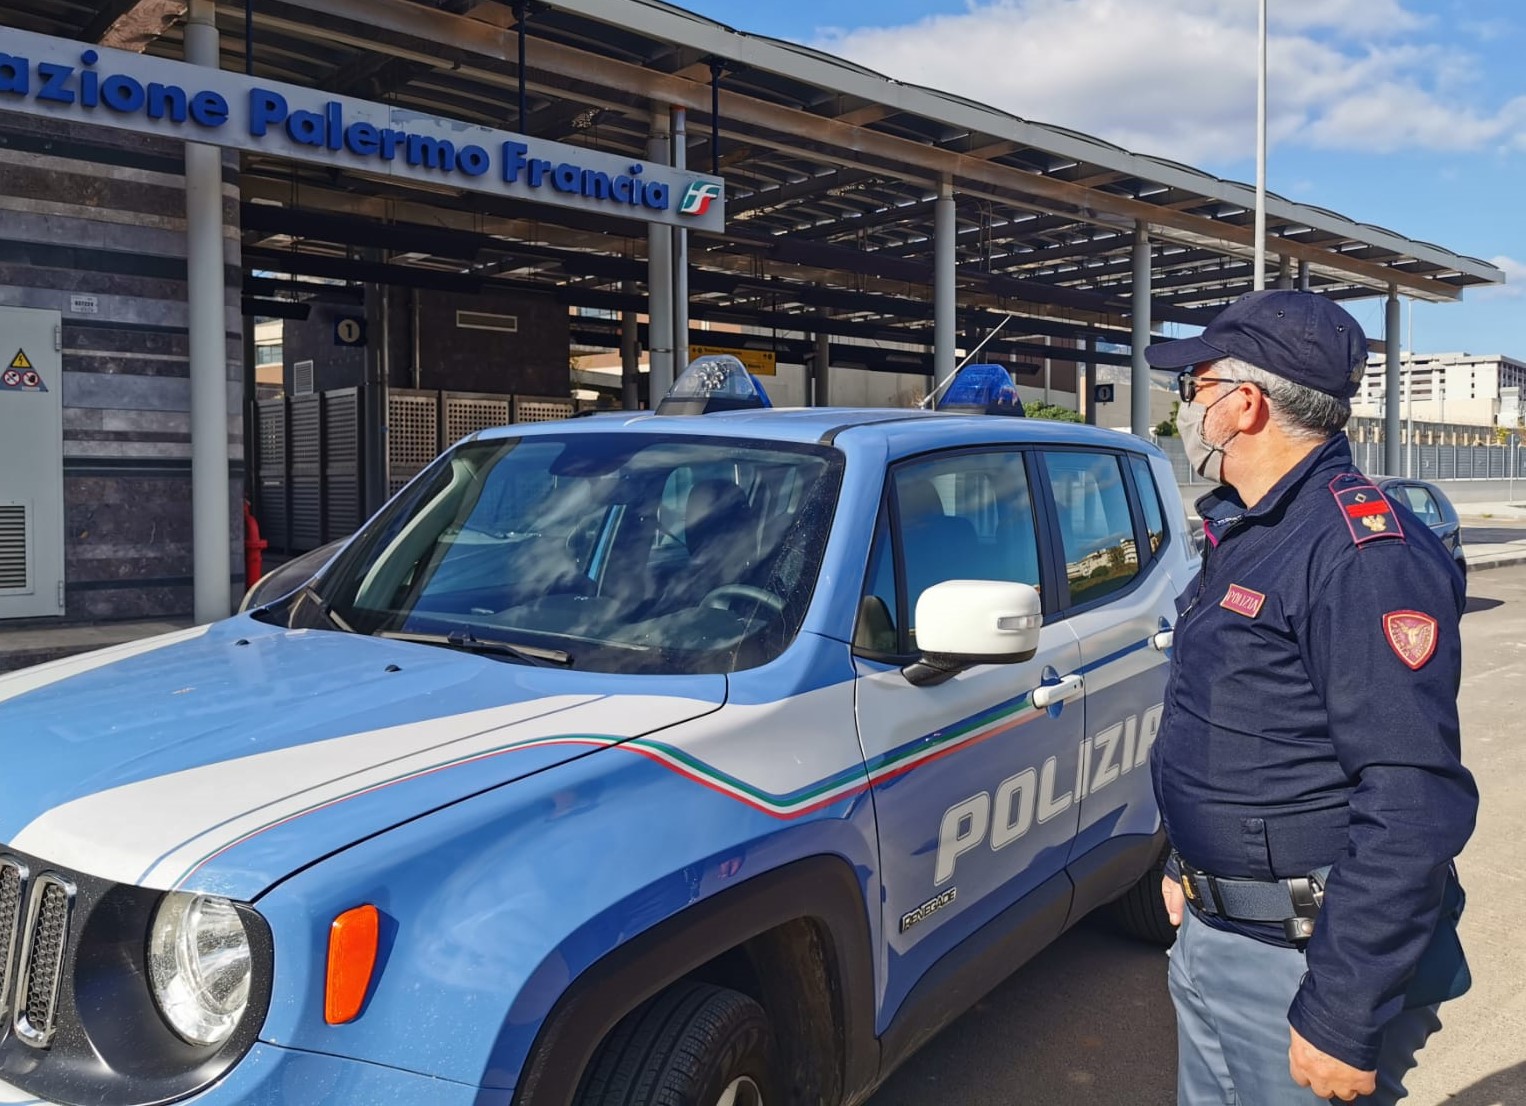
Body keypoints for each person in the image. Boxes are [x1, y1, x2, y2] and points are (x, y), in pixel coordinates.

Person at [1144, 290, 1477, 1105]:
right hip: (1219, 929)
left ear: (1244, 403)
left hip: (1301, 960)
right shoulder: (1255, 530)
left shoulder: (1362, 554)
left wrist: (1341, 1008)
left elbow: (1411, 800)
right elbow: (1242, 732)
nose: (1186, 407)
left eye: (1195, 386)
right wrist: (1188, 869)